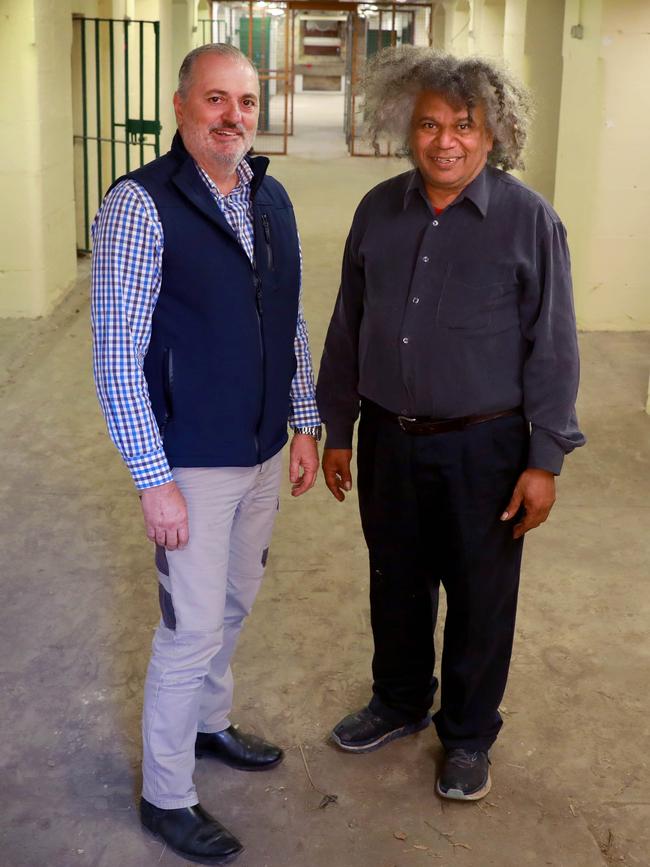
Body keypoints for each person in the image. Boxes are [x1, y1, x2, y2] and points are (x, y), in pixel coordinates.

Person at [316, 47, 585, 802]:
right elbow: (349, 323)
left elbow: (554, 348)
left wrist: (545, 458)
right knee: (395, 580)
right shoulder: (378, 210)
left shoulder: (531, 222)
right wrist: (339, 425)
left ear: (492, 133)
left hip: (487, 447)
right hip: (388, 439)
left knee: (479, 593)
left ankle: (466, 733)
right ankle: (399, 701)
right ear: (407, 127)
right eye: (429, 124)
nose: (445, 141)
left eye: (463, 125)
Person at [91, 43, 321, 863]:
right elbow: (116, 353)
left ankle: (209, 722)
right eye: (216, 100)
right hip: (192, 458)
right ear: (183, 105)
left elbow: (287, 315)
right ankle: (166, 794)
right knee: (189, 625)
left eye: (247, 102)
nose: (234, 117)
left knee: (233, 600)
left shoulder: (270, 195)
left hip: (261, 449)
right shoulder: (140, 204)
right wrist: (154, 480)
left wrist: (304, 421)